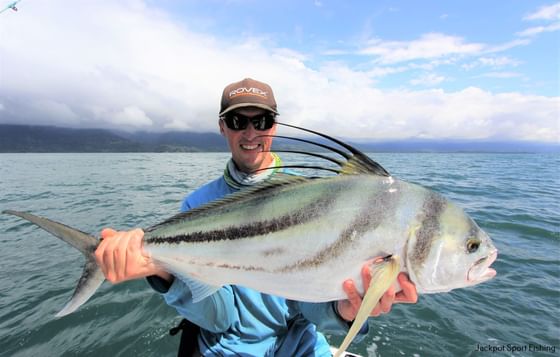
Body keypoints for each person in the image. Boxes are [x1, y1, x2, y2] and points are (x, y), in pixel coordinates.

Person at [95, 78, 418, 356]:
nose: (250, 133)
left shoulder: (315, 195)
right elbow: (219, 319)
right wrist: (164, 274)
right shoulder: (198, 204)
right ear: (222, 127)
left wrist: (345, 310)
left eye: (261, 121)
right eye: (238, 121)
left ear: (274, 125)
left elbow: (309, 299)